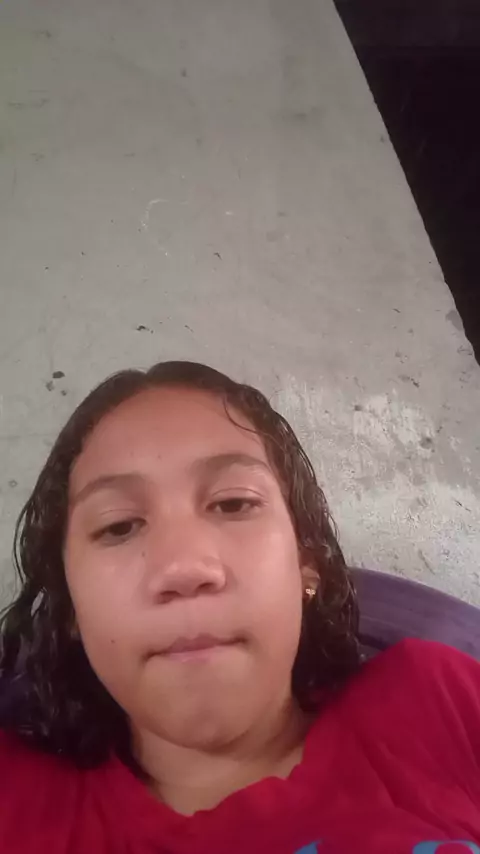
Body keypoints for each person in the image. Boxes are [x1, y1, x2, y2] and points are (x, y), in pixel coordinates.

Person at [0, 360, 479, 854]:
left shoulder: (438, 704)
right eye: (118, 526)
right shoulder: (15, 803)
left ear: (306, 565)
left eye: (233, 503)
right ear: (70, 606)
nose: (184, 568)